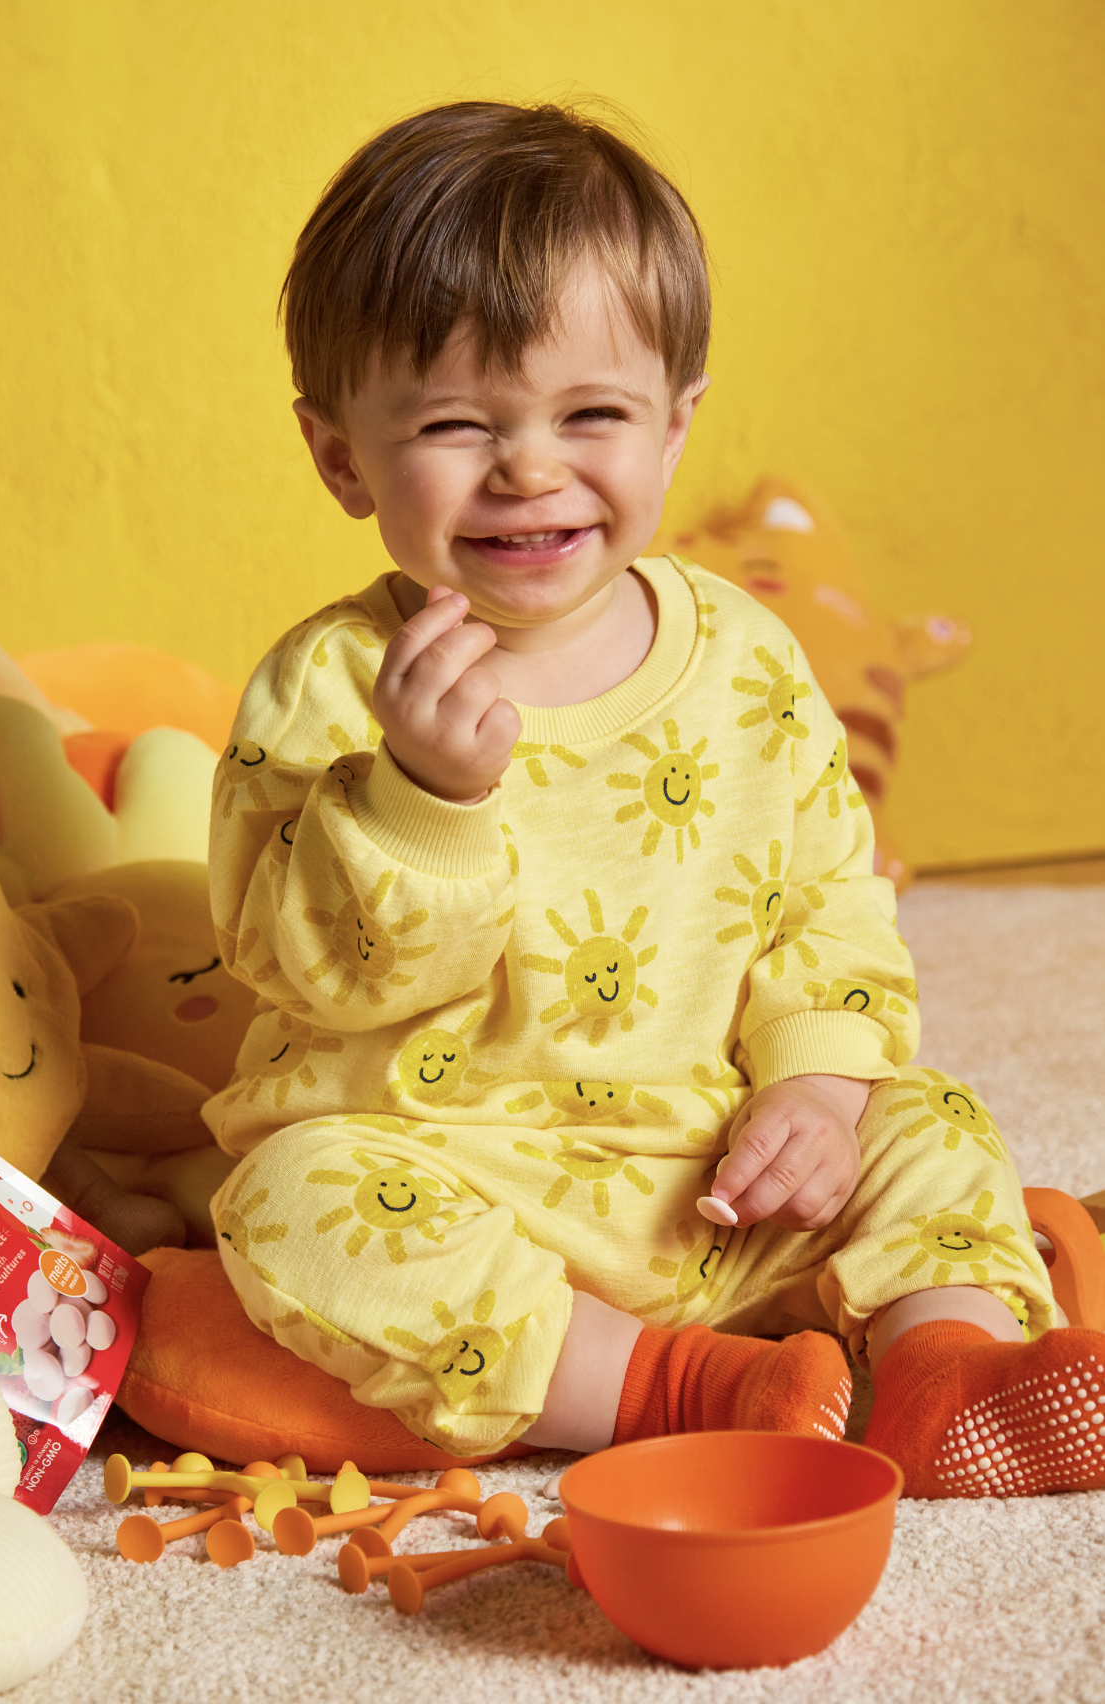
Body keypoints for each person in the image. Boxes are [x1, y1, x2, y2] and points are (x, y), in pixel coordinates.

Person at [205, 100, 1103, 1498]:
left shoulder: (745, 659)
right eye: (455, 423)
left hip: (721, 1175)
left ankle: (947, 1371)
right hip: (450, 1172)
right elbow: (307, 976)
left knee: (928, 1118)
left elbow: (826, 907)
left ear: (677, 426)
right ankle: (687, 1387)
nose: (530, 468)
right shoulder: (330, 689)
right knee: (282, 1209)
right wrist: (421, 800)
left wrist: (811, 1090)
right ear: (341, 458)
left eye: (592, 415)